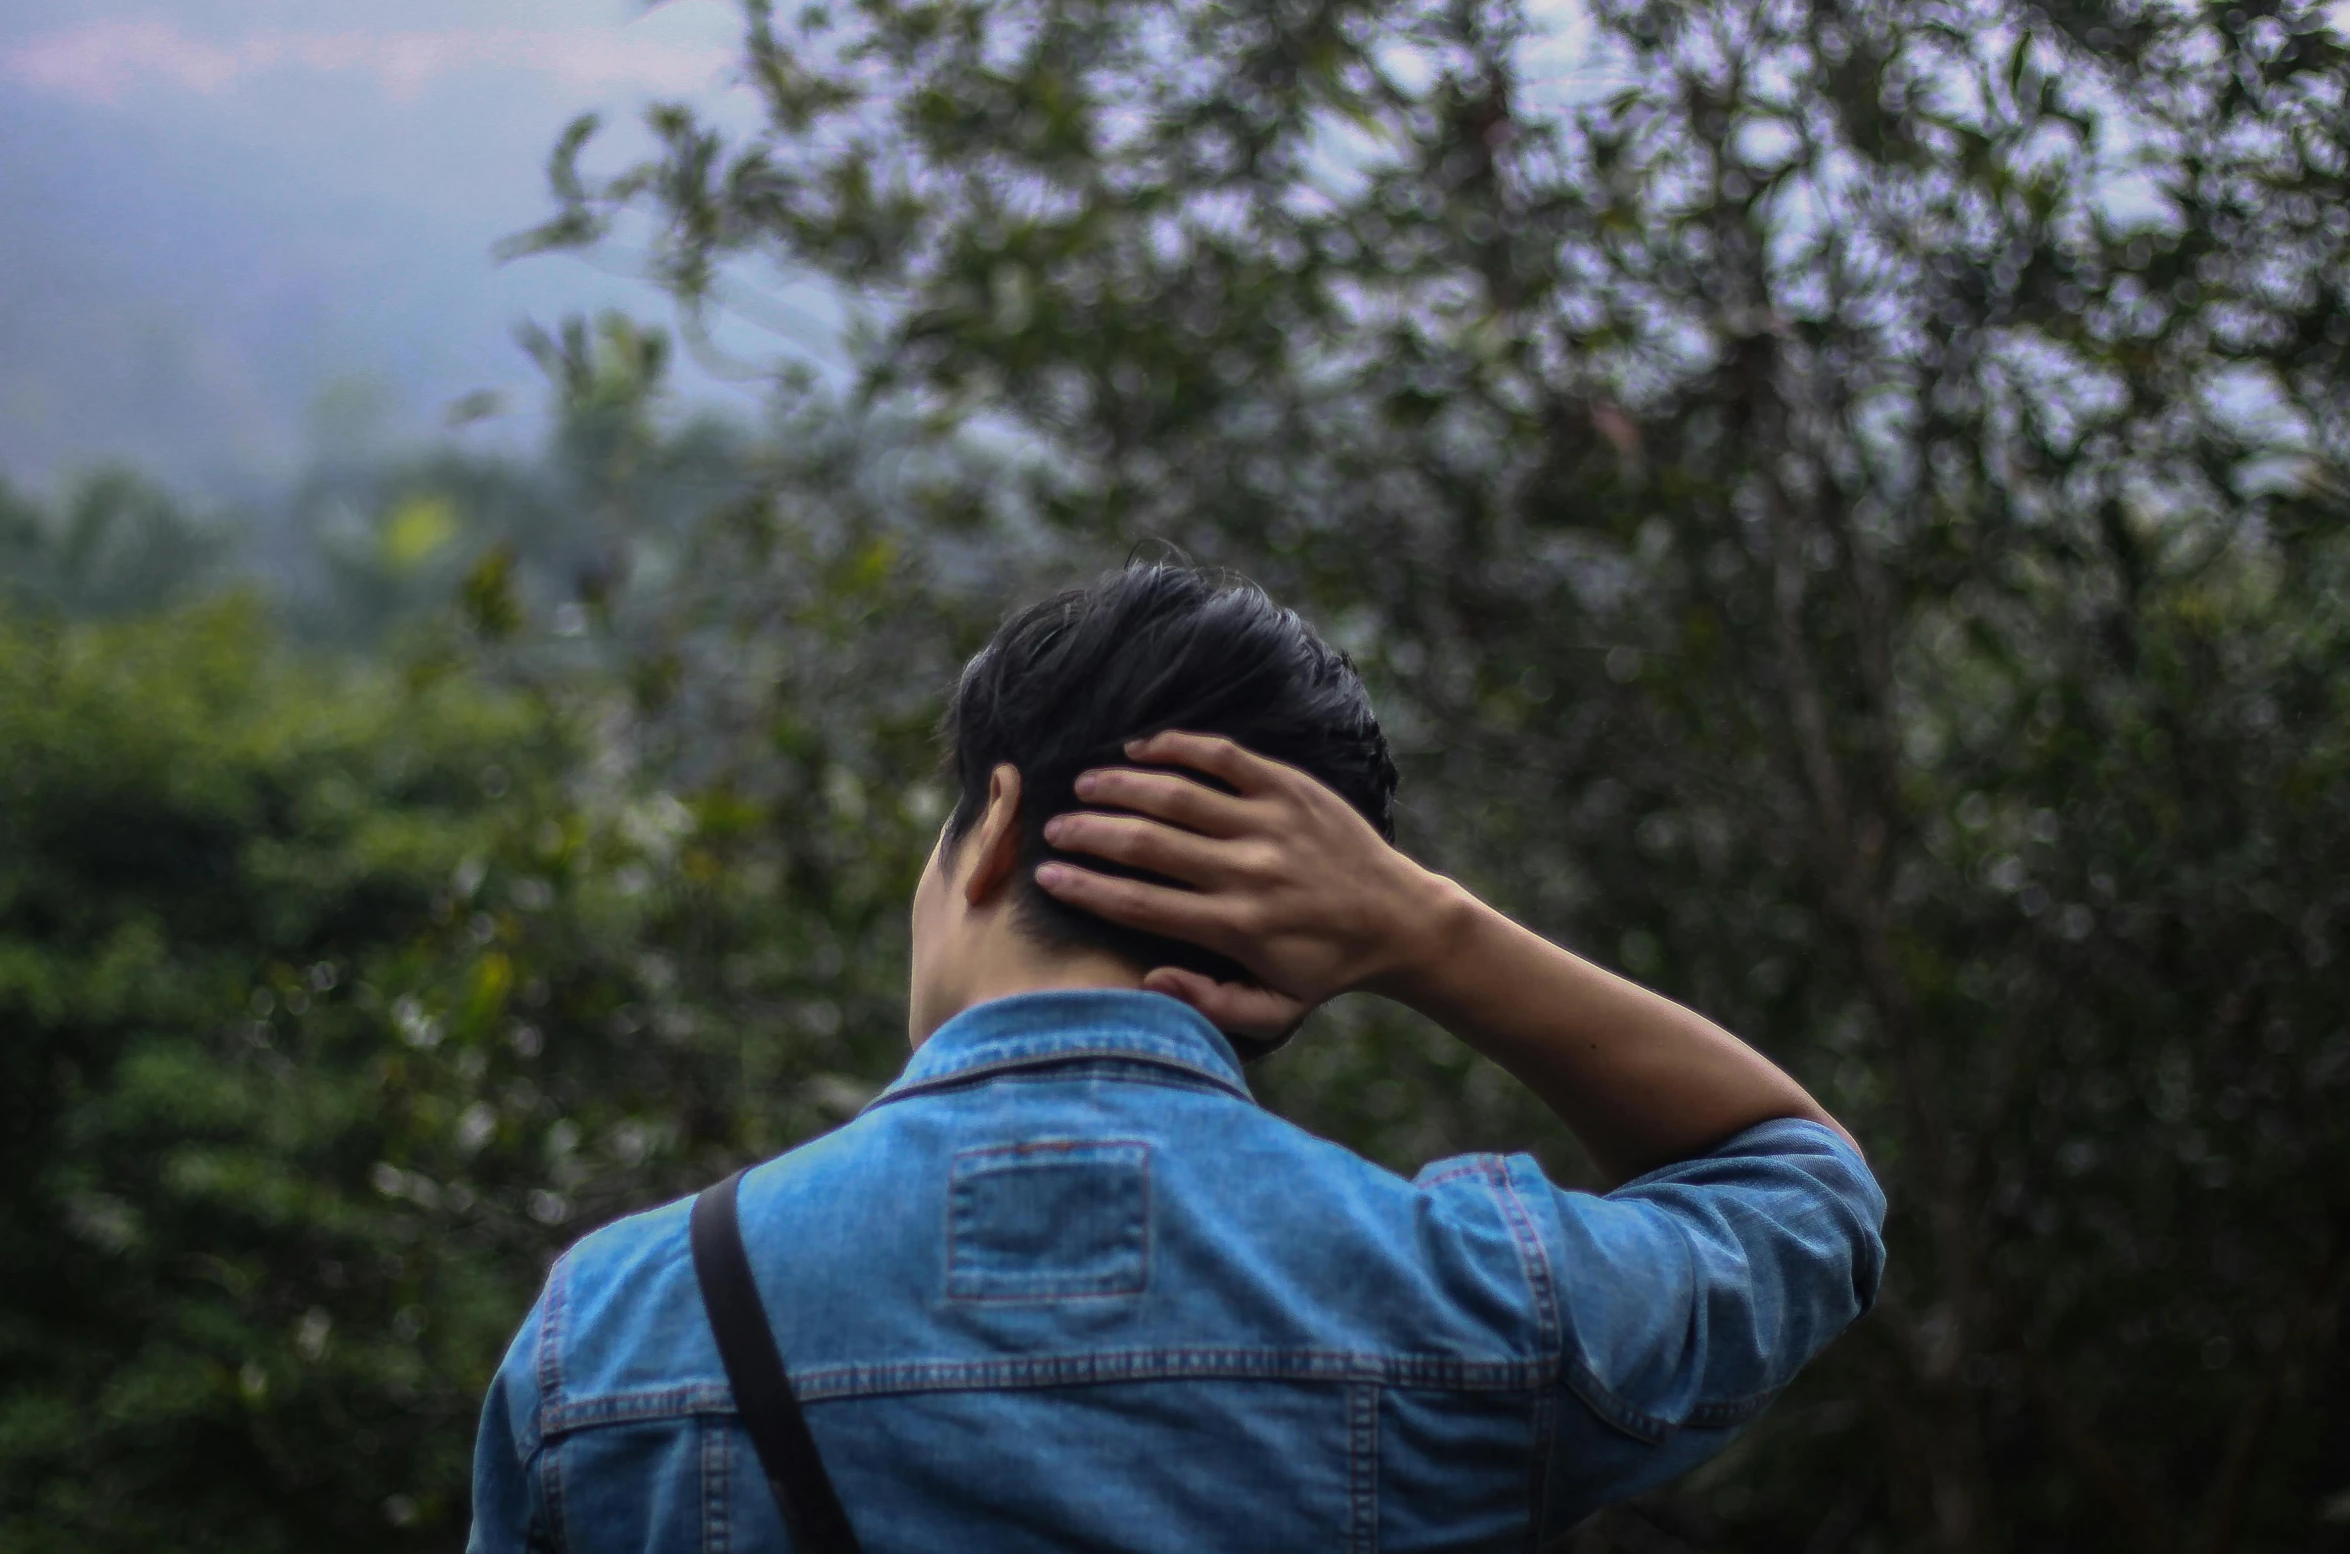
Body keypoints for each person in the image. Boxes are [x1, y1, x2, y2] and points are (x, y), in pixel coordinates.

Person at [468, 563, 1884, 1553]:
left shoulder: (613, 1328)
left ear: (995, 826)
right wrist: (1428, 930)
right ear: (1300, 943)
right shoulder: (1468, 1298)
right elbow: (1800, 1190)